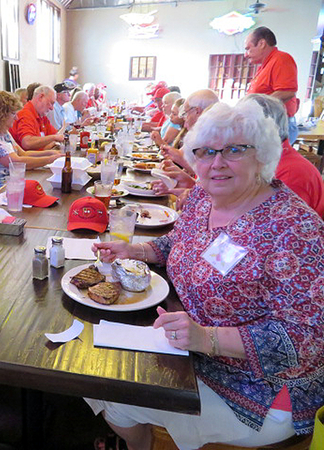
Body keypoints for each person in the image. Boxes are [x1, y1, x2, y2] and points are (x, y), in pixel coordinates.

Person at [89, 100, 324, 450]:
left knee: (108, 389)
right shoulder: (204, 195)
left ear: (263, 155)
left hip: (261, 391)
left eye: (234, 150)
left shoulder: (295, 229)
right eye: (205, 151)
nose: (216, 163)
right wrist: (136, 251)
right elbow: (176, 241)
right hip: (189, 349)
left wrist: (207, 338)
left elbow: (307, 340)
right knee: (103, 367)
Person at [239, 94, 324, 217]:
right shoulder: (265, 160)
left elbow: (274, 225)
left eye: (241, 126)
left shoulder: (290, 173)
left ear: (266, 130)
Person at [0, 91, 61, 204]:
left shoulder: (3, 132)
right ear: (2, 114)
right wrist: (49, 160)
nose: (16, 117)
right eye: (13, 113)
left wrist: (51, 154)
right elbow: (16, 162)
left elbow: (22, 153)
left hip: (4, 185)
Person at [245, 26, 299, 144]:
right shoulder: (266, 65)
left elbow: (287, 92)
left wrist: (254, 108)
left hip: (277, 126)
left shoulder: (281, 59)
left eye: (248, 48)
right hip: (266, 124)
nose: (246, 54)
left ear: (262, 43)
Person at [9, 85, 65, 150]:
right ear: (40, 97)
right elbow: (27, 143)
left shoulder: (42, 116)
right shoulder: (25, 114)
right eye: (51, 103)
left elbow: (56, 136)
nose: (52, 108)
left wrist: (54, 139)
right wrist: (54, 138)